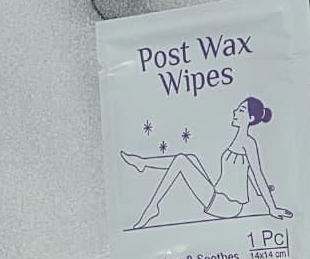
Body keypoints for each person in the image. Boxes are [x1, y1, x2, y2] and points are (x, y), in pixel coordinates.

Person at [120, 96, 293, 229]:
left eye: (241, 110)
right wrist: (260, 191)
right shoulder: (238, 141)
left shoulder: (248, 143)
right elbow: (246, 171)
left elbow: (257, 174)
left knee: (181, 161)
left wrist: (272, 207)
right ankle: (143, 163)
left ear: (250, 118)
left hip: (225, 206)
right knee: (190, 158)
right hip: (219, 197)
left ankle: (152, 207)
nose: (235, 112)